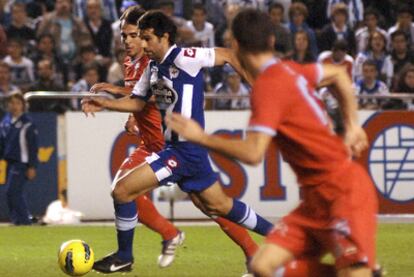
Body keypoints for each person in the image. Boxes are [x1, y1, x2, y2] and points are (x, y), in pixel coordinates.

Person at [166, 9, 378, 277]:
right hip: (314, 198)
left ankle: (361, 272)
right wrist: (352, 124)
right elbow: (338, 74)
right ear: (270, 41)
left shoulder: (268, 87)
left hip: (342, 193)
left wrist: (201, 138)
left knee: (350, 272)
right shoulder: (289, 69)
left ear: (235, 44)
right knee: (262, 266)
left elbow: (254, 153)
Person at [84, 7, 260, 274]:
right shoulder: (135, 62)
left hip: (166, 143)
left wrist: (122, 99)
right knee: (129, 192)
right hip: (153, 142)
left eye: (135, 35)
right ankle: (163, 238)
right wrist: (121, 104)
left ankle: (156, 242)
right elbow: (140, 98)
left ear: (154, 36)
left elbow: (159, 95)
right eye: (125, 36)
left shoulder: (161, 58)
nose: (130, 42)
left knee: (205, 204)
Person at [0, 93, 38, 225]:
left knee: (12, 192)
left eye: (17, 103)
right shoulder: (5, 121)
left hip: (21, 162)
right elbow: (2, 142)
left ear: (23, 105)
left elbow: (33, 146)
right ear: (8, 105)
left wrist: (32, 166)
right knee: (15, 193)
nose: (14, 106)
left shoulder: (27, 123)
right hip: (9, 162)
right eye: (12, 103)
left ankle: (24, 220)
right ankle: (17, 220)